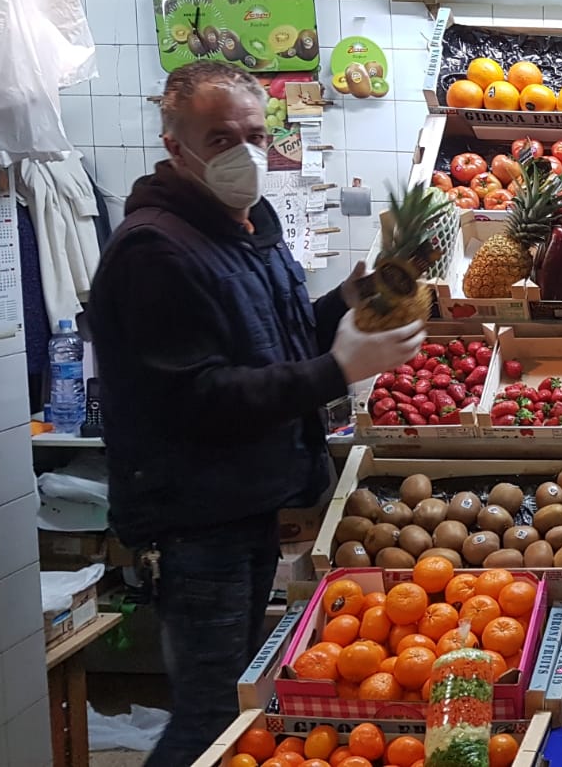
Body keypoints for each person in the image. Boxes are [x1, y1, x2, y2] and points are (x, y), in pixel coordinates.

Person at [87, 61, 424, 767]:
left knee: (238, 701)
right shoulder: (155, 251)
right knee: (211, 717)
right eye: (218, 138)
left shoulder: (243, 225)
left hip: (244, 504)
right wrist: (339, 370)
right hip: (194, 521)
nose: (241, 151)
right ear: (174, 145)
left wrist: (351, 298)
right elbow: (201, 398)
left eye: (250, 133)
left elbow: (278, 333)